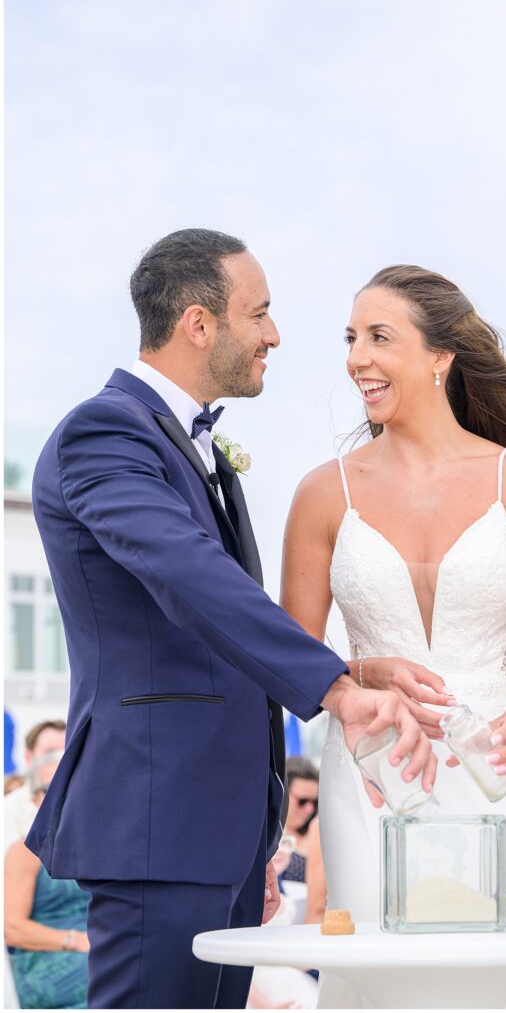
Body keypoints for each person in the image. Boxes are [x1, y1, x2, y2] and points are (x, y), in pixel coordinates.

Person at [24, 230, 437, 1011]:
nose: (275, 334)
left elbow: (219, 623)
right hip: (159, 821)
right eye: (261, 314)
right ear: (198, 323)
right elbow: (190, 575)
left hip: (215, 833)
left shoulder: (193, 447)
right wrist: (336, 692)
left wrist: (347, 669)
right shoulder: (103, 432)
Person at [281, 264, 506, 1008]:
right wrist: (360, 673)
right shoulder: (323, 493)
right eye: (351, 338)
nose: (357, 358)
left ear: (440, 356)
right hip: (376, 774)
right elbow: (288, 656)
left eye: (380, 337)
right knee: (381, 977)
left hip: (502, 772)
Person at [5, 752, 89, 1009]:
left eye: (68, 789)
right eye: (48, 790)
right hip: (54, 958)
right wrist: (76, 940)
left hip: (101, 948)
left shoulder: (97, 848)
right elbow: (13, 929)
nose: (60, 798)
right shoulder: (24, 852)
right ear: (34, 799)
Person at [4, 720, 66, 852]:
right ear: (28, 757)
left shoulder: (84, 808)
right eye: (50, 752)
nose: (59, 759)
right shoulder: (7, 810)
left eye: (66, 752)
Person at [281, 758, 319, 885]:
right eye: (302, 801)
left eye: (314, 802)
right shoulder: (265, 835)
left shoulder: (318, 835)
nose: (309, 809)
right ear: (284, 794)